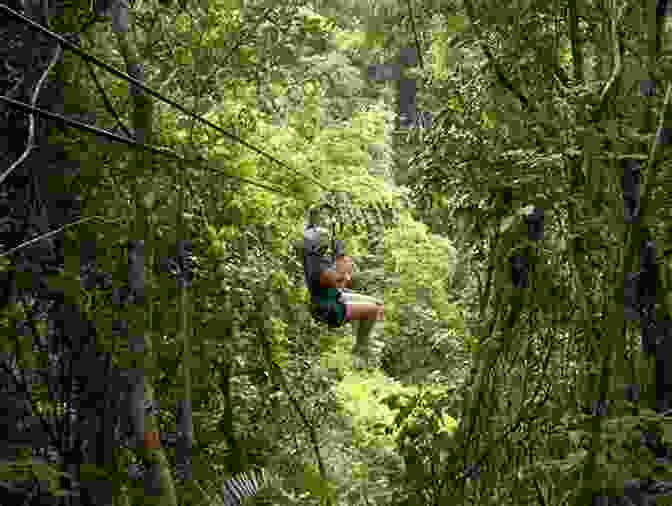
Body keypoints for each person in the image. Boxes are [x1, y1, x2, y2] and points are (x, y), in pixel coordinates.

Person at [302, 215, 383, 365]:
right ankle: (361, 348)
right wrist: (341, 256)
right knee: (373, 309)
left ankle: (362, 339)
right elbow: (344, 279)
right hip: (329, 308)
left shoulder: (311, 255)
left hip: (334, 297)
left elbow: (309, 232)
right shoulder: (320, 271)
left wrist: (320, 218)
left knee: (378, 304)